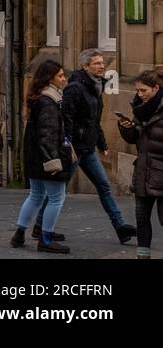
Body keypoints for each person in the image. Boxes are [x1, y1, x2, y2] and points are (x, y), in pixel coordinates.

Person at [39, 50, 135, 244]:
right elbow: (67, 119)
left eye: (102, 63)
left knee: (104, 186)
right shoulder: (75, 88)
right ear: (85, 67)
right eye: (96, 63)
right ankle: (39, 226)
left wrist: (102, 143)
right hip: (74, 149)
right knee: (59, 190)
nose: (101, 66)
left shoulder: (95, 86)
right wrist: (67, 145)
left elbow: (94, 120)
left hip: (88, 148)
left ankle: (120, 227)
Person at [12, 59, 74, 253]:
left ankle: (19, 233)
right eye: (60, 76)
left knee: (36, 195)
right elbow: (47, 135)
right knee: (57, 198)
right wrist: (53, 161)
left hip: (34, 157)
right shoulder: (49, 102)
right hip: (47, 159)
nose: (64, 79)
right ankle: (46, 239)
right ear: (50, 78)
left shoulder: (41, 98)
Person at [117, 69, 163, 259]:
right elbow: (134, 139)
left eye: (143, 90)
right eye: (138, 90)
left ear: (156, 88)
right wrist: (126, 128)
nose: (139, 94)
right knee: (141, 218)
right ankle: (142, 256)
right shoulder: (140, 108)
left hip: (161, 173)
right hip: (143, 171)